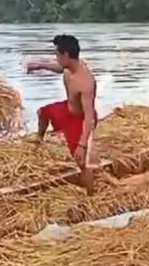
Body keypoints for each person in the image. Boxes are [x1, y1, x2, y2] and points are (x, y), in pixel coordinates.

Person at [27, 34, 99, 195]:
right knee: (43, 112)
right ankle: (39, 139)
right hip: (67, 109)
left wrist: (82, 144)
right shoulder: (68, 66)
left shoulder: (86, 81)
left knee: (82, 162)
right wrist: (39, 66)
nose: (56, 58)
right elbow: (58, 68)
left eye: (57, 54)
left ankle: (91, 196)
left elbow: (89, 116)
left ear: (66, 55)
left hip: (80, 119)